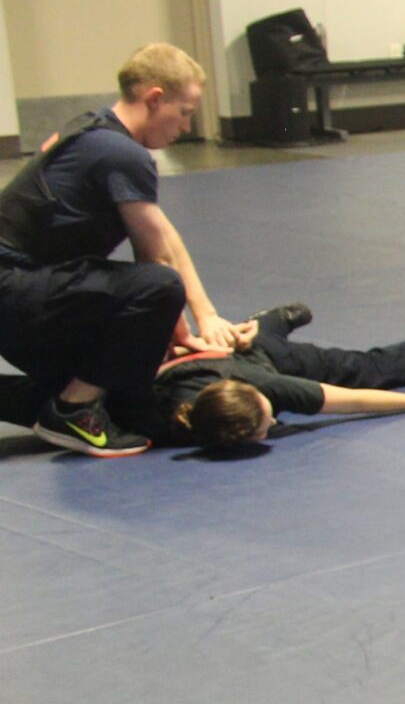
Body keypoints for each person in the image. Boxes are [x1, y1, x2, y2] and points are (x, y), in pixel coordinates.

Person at [0, 44, 243, 457]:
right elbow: (157, 263)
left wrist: (205, 315)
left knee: (122, 387)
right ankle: (73, 410)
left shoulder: (93, 130)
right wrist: (181, 336)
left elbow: (163, 233)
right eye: (185, 112)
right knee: (158, 290)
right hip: (16, 296)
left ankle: (51, 399)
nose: (186, 126)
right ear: (155, 98)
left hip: (22, 296)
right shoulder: (123, 154)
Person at [144, 304, 405, 449]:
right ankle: (268, 322)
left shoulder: (269, 386)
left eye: (268, 419)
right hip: (212, 360)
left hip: (260, 358)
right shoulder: (162, 426)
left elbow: (350, 398)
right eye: (267, 427)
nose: (273, 426)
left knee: (370, 370)